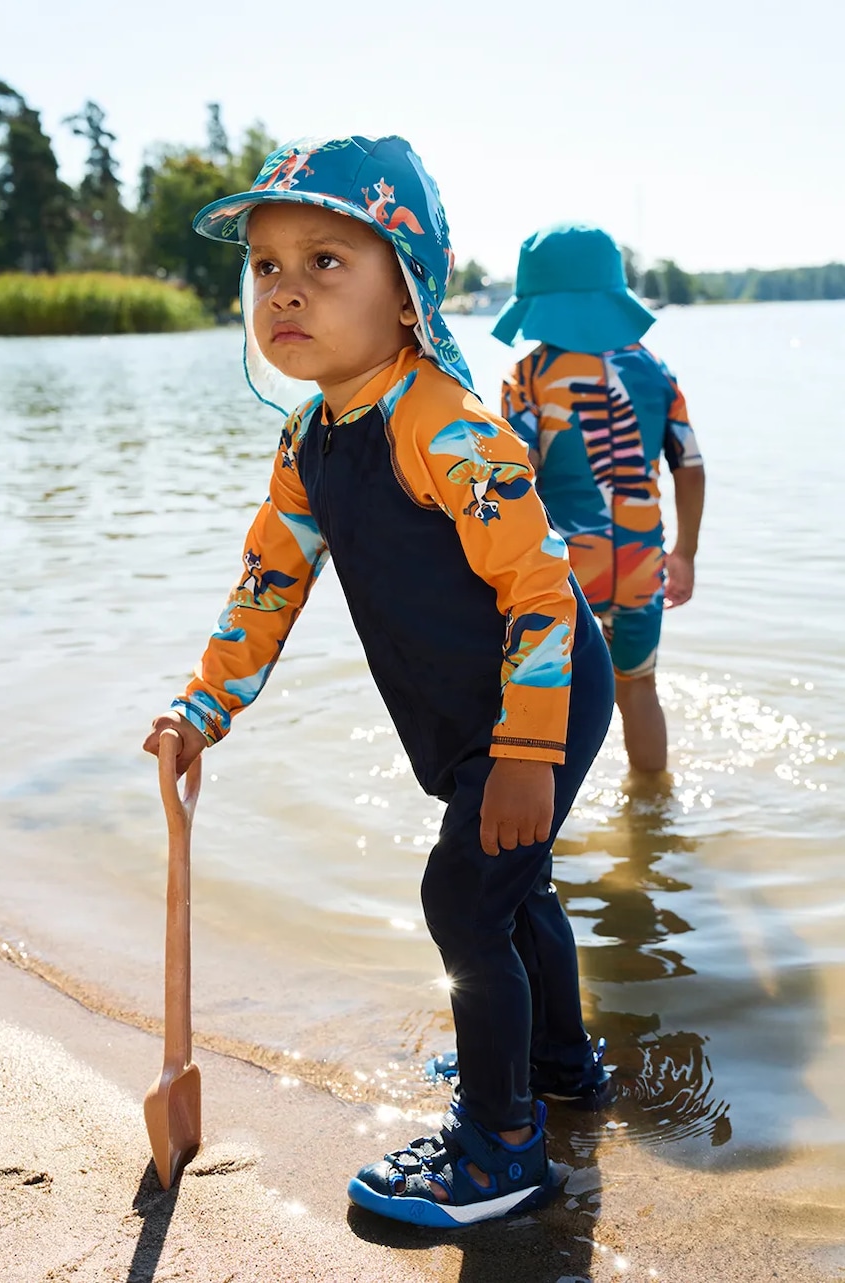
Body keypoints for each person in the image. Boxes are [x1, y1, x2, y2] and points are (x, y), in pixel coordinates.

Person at [142, 137, 614, 1229]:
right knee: (514, 888)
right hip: (462, 709)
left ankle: (499, 1147)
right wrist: (202, 707)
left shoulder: (446, 425)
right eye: (266, 266)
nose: (286, 290)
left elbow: (541, 589)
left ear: (407, 294)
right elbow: (268, 585)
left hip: (540, 689)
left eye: (325, 261)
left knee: (464, 896)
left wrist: (528, 751)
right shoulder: (309, 441)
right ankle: (554, 1067)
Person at [495, 224, 705, 774]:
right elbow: (690, 465)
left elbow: (518, 473)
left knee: (549, 704)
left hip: (564, 570)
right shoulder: (654, 370)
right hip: (641, 563)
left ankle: (550, 823)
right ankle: (651, 807)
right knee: (640, 688)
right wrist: (685, 553)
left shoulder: (529, 376)